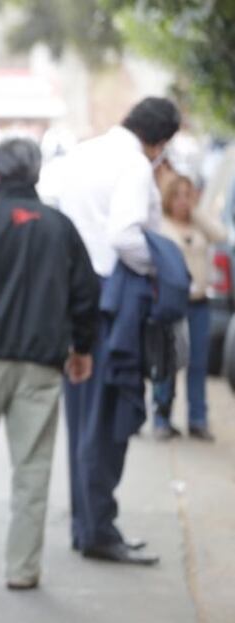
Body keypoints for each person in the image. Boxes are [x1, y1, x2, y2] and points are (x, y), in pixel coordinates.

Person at [0, 137, 100, 590]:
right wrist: (81, 349)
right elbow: (85, 296)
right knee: (33, 467)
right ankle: (23, 569)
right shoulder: (60, 227)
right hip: (42, 365)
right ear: (36, 173)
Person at [55, 97, 182, 565]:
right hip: (113, 296)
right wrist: (161, 267)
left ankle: (86, 524)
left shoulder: (82, 153)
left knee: (83, 416)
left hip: (75, 293)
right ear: (161, 141)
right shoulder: (133, 165)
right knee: (106, 419)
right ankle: (99, 529)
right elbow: (126, 236)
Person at [152, 174, 227, 441]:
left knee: (198, 363)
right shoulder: (161, 225)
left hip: (199, 303)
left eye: (188, 194)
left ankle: (198, 419)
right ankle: (161, 417)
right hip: (172, 303)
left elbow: (220, 235)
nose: (183, 201)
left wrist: (196, 212)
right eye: (178, 195)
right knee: (168, 361)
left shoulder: (197, 224)